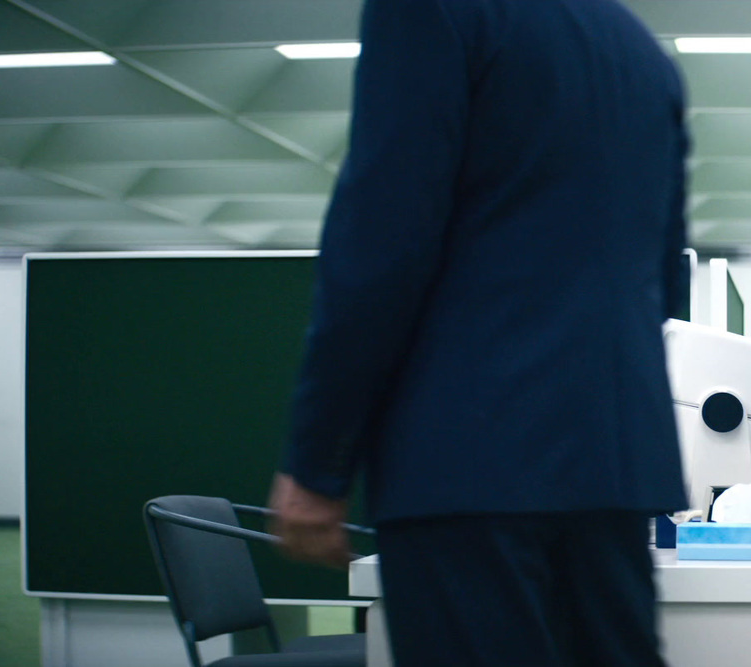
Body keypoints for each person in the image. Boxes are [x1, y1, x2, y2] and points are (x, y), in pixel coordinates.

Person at [266, 0, 689, 665]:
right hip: (615, 468)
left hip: (466, 460)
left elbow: (383, 241)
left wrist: (318, 462)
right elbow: (667, 280)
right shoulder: (643, 52)